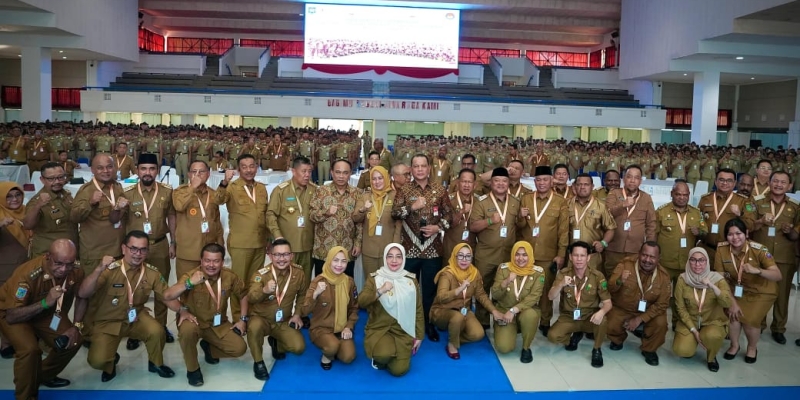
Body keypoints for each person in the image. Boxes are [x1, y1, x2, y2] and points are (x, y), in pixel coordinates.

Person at [78, 231, 179, 382]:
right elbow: (83, 293)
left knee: (157, 331)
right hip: (108, 321)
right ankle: (110, 362)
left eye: (143, 249)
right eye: (133, 249)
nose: (138, 254)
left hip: (136, 317)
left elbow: (167, 296)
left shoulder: (152, 273)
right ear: (124, 248)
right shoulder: (109, 269)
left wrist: (182, 310)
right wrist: (99, 268)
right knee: (97, 361)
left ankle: (156, 363)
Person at [0, 239, 86, 400]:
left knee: (73, 340)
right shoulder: (27, 274)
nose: (64, 269)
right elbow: (12, 315)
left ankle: (41, 376)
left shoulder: (75, 270)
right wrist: (46, 302)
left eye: (69, 264)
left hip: (46, 314)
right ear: (48, 256)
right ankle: (25, 396)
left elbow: (81, 296)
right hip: (14, 315)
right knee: (29, 350)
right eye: (59, 263)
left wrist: (76, 326)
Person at [163, 243, 248, 387]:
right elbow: (167, 296)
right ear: (201, 261)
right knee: (187, 332)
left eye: (216, 261)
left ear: (222, 262)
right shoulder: (191, 276)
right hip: (193, 321)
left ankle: (209, 349)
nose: (211, 265)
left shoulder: (229, 276)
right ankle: (193, 370)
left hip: (217, 324)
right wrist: (189, 286)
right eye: (207, 260)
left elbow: (244, 294)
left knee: (239, 348)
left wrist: (243, 319)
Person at [391, 154, 454, 342]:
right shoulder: (404, 189)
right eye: (416, 166)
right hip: (409, 250)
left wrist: (438, 227)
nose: (420, 169)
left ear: (429, 168)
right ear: (411, 169)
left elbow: (450, 215)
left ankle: (428, 323)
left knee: (429, 291)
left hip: (433, 249)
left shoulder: (439, 190)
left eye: (423, 166)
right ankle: (407, 324)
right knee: (408, 290)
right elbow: (394, 213)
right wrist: (412, 206)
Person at [123, 153, 177, 345]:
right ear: (137, 170)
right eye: (143, 168)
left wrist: (173, 242)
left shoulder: (167, 191)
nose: (148, 172)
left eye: (152, 169)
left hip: (160, 245)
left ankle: (161, 327)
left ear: (157, 171)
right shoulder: (127, 193)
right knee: (134, 290)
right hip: (135, 251)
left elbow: (172, 217)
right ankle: (134, 329)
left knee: (162, 290)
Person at [714, 218, 782, 364]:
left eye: (738, 233)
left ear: (746, 233)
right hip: (736, 289)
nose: (735, 238)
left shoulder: (759, 249)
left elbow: (777, 275)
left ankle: (752, 348)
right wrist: (732, 302)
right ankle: (734, 345)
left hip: (762, 291)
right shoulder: (721, 249)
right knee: (733, 314)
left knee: (750, 320)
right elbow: (720, 279)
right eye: (730, 234)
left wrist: (758, 271)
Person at [469, 167, 524, 327]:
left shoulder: (515, 202)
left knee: (506, 288)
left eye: (504, 181)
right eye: (497, 180)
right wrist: (490, 221)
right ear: (491, 183)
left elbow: (520, 226)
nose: (500, 184)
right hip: (486, 255)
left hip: (507, 256)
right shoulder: (482, 202)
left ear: (508, 183)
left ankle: (504, 319)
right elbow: (473, 226)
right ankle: (483, 320)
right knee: (482, 288)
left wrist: (521, 217)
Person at [216, 154, 270, 319]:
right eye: (244, 167)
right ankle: (239, 316)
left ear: (256, 167)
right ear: (239, 169)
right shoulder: (232, 187)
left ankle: (252, 313)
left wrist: (269, 239)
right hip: (241, 243)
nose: (249, 170)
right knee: (239, 283)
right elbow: (218, 200)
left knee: (256, 282)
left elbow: (265, 214)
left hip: (260, 242)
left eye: (252, 166)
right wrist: (224, 182)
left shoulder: (261, 188)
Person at [749, 171, 799, 344]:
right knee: (759, 291)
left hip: (784, 257)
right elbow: (748, 227)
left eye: (783, 182)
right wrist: (761, 221)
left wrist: (790, 231)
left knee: (783, 295)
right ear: (769, 183)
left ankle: (778, 328)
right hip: (760, 256)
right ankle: (759, 323)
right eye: (775, 181)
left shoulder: (795, 206)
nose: (778, 184)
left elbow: (796, 235)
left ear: (790, 186)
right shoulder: (755, 202)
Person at [246, 239, 307, 381]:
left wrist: (297, 314)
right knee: (254, 328)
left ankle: (276, 342)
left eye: (286, 254)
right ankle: (258, 362)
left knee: (298, 348)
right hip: (262, 319)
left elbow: (303, 295)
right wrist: (264, 290)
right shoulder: (261, 274)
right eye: (277, 255)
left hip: (283, 321)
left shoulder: (298, 273)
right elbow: (251, 298)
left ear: (291, 256)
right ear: (271, 256)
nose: (282, 259)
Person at [359, 243, 424, 376]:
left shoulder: (411, 280)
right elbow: (361, 301)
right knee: (382, 355)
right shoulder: (375, 278)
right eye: (390, 256)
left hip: (403, 330)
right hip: (380, 328)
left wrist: (419, 335)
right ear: (385, 258)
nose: (394, 261)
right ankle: (382, 356)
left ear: (403, 259)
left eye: (398, 257)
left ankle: (396, 354)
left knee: (399, 371)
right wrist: (380, 291)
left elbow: (418, 309)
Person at [430, 244, 504, 360]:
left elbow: (481, 295)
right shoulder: (447, 273)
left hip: (464, 310)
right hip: (442, 310)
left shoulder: (474, 273)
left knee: (478, 334)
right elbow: (441, 297)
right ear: (455, 257)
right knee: (457, 318)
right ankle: (452, 345)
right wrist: (459, 289)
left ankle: (454, 336)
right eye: (460, 256)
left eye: (468, 256)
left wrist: (493, 311)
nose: (464, 260)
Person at [518, 165, 568, 336]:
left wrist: (561, 254)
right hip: (526, 255)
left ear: (552, 180)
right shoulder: (526, 199)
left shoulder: (560, 201)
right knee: (525, 289)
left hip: (548, 255)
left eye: (545, 179)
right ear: (534, 181)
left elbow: (563, 230)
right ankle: (523, 318)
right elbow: (520, 227)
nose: (542, 183)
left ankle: (545, 321)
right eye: (538, 180)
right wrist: (521, 217)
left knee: (546, 289)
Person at [547, 241, 611, 368]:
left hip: (589, 317)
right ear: (570, 257)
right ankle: (573, 337)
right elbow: (550, 296)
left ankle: (596, 349)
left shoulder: (597, 276)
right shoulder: (563, 274)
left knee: (603, 320)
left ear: (588, 257)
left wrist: (601, 312)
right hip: (569, 316)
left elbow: (608, 303)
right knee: (552, 336)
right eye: (576, 255)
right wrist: (560, 284)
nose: (579, 259)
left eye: (582, 256)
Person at [606, 242, 671, 366]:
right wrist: (620, 281)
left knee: (661, 323)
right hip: (624, 308)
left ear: (658, 258)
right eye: (644, 255)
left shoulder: (663, 277)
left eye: (652, 257)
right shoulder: (625, 265)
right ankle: (617, 339)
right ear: (639, 254)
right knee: (610, 321)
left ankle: (649, 349)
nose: (647, 260)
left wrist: (639, 319)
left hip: (648, 312)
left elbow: (662, 304)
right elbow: (609, 288)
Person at [655, 179, 706, 329]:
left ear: (689, 195)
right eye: (678, 194)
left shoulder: (696, 213)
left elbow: (706, 232)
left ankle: (678, 326)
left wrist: (700, 232)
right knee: (660, 297)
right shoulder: (661, 212)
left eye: (685, 195)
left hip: (686, 266)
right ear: (672, 194)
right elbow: (652, 236)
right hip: (664, 263)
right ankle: (658, 325)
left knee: (682, 299)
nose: (682, 197)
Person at [672, 247, 731, 372]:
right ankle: (692, 341)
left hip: (712, 321)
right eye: (693, 260)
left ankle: (711, 357)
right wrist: (694, 330)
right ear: (688, 262)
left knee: (712, 336)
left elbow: (726, 302)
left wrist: (711, 285)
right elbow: (680, 308)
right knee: (682, 350)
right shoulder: (682, 279)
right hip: (691, 321)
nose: (697, 264)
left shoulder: (717, 279)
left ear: (707, 262)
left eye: (701, 260)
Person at [301, 246, 359, 370]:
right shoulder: (318, 281)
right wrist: (315, 294)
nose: (339, 265)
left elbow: (354, 308)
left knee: (348, 357)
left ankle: (335, 346)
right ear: (329, 261)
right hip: (321, 328)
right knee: (332, 347)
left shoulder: (349, 282)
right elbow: (305, 310)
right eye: (335, 260)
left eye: (343, 261)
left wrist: (349, 327)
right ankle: (328, 354)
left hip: (341, 329)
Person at [70, 153, 128, 275]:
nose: (106, 171)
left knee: (115, 290)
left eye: (109, 167)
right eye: (100, 168)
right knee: (93, 291)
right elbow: (74, 217)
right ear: (92, 169)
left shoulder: (118, 187)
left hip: (117, 250)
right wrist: (90, 203)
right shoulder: (86, 191)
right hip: (95, 254)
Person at [491, 241, 545, 363]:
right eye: (517, 254)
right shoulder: (504, 269)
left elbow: (534, 297)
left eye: (525, 255)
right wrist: (506, 281)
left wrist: (514, 310)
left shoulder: (538, 272)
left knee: (530, 315)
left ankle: (526, 348)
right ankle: (509, 328)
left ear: (530, 255)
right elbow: (495, 294)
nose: (520, 258)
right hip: (504, 310)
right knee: (504, 348)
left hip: (525, 310)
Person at [268, 156, 317, 289]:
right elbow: (271, 214)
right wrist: (277, 236)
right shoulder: (281, 190)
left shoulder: (315, 190)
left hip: (308, 245)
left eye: (309, 171)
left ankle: (302, 308)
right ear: (293, 171)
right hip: (287, 247)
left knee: (305, 282)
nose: (307, 175)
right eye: (303, 171)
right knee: (285, 282)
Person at [310, 159, 362, 277]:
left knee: (346, 287)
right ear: (332, 172)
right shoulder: (321, 191)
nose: (341, 176)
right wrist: (325, 213)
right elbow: (312, 216)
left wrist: (358, 243)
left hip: (346, 249)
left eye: (345, 173)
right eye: (338, 172)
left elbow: (360, 221)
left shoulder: (357, 193)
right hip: (323, 250)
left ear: (350, 174)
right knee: (322, 287)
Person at [173, 161, 224, 279]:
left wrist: (221, 245)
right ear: (189, 175)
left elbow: (216, 221)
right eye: (194, 172)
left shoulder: (213, 194)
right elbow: (179, 206)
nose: (197, 175)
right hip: (188, 253)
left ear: (208, 174)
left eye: (201, 172)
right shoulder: (180, 191)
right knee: (186, 289)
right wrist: (192, 187)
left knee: (208, 289)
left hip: (210, 254)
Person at [604, 165, 656, 278]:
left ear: (640, 181)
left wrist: (650, 248)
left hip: (635, 250)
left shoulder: (646, 198)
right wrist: (623, 204)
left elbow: (651, 224)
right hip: (614, 248)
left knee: (631, 281)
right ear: (623, 179)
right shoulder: (614, 193)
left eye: (636, 178)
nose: (632, 180)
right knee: (611, 279)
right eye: (629, 177)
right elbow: (606, 214)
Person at [698, 168, 756, 267]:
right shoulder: (705, 199)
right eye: (721, 180)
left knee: (726, 281)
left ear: (734, 183)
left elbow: (751, 226)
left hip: (730, 251)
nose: (725, 183)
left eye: (729, 181)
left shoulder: (744, 201)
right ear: (716, 181)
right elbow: (698, 220)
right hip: (707, 249)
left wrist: (739, 215)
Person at [23, 163, 79, 259]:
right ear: (42, 180)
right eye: (51, 179)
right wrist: (38, 206)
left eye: (60, 177)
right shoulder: (37, 201)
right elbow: (27, 225)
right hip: (49, 256)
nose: (57, 181)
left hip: (69, 252)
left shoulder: (66, 195)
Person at [354, 166, 401, 275]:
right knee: (371, 283)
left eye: (380, 178)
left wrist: (395, 246)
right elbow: (356, 218)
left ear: (386, 178)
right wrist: (363, 209)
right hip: (369, 249)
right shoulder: (365, 196)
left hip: (388, 248)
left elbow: (398, 224)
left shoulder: (395, 196)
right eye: (374, 179)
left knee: (388, 283)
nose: (377, 182)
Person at [567, 174, 616, 271]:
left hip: (592, 256)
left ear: (592, 187)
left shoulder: (601, 206)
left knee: (592, 284)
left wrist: (603, 243)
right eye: (579, 184)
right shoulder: (566, 204)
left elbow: (611, 229)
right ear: (574, 186)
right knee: (572, 284)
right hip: (571, 256)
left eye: (586, 184)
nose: (582, 187)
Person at [443, 168, 479, 262]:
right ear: (458, 183)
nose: (466, 185)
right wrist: (461, 212)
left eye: (469, 182)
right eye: (463, 181)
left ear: (474, 185)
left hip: (470, 249)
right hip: (451, 248)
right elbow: (448, 224)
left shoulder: (478, 202)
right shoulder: (448, 200)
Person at [0, 183, 29, 284]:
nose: (15, 199)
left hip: (28, 265)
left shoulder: (28, 210)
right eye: (8, 196)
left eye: (18, 194)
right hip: (5, 271)